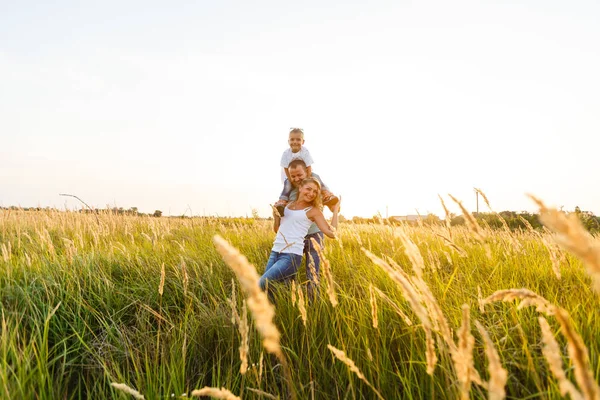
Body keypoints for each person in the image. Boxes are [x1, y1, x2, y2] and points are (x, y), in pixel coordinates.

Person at [259, 177, 339, 295]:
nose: (311, 193)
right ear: (300, 188)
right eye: (308, 189)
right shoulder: (287, 205)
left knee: (262, 283)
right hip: (275, 252)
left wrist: (336, 210)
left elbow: (332, 233)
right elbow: (277, 230)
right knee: (269, 289)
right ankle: (275, 312)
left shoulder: (313, 211)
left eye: (315, 192)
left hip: (291, 256)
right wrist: (276, 216)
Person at [274, 128, 339, 216]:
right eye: (292, 139)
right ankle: (282, 202)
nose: (295, 142)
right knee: (287, 186)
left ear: (303, 141)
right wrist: (291, 179)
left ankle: (326, 195)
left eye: (298, 139)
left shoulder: (305, 152)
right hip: (290, 175)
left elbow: (309, 167)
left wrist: (307, 181)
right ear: (288, 141)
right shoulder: (286, 153)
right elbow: (285, 168)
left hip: (307, 174)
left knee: (316, 176)